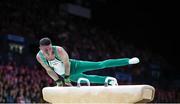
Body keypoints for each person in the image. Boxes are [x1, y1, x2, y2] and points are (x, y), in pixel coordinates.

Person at [36, 37, 140, 86]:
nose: (49, 51)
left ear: (51, 45)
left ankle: (128, 61)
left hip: (74, 66)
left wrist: (67, 78)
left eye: (50, 48)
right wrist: (59, 82)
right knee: (87, 79)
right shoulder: (40, 57)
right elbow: (49, 70)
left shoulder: (58, 50)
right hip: (64, 74)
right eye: (46, 49)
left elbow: (67, 64)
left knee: (100, 65)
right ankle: (109, 80)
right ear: (40, 48)